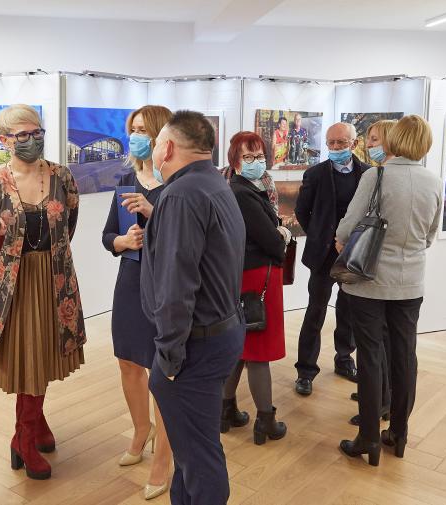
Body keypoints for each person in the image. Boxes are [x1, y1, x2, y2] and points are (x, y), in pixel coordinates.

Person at [0, 104, 86, 480]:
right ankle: (23, 436)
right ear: (4, 140)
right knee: (27, 355)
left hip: (53, 278)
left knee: (46, 351)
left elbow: (69, 223)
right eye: (22, 135)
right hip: (12, 286)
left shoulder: (62, 176)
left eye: (37, 133)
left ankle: (33, 423)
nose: (32, 140)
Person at [142, 111, 246, 504]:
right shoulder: (214, 183)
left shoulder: (182, 195)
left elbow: (176, 285)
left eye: (155, 142)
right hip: (220, 332)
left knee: (199, 457)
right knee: (191, 451)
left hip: (194, 345)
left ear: (168, 148)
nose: (153, 149)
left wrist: (169, 358)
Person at [336, 115, 441, 465]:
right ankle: (399, 434)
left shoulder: (375, 176)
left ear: (394, 140)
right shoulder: (433, 181)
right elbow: (430, 235)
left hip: (369, 280)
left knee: (370, 357)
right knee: (405, 355)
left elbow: (348, 227)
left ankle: (368, 437)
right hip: (411, 282)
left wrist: (341, 239)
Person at [101, 105, 174, 499]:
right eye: (133, 129)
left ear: (161, 135)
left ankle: (164, 455)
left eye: (144, 130)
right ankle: (141, 430)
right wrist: (122, 241)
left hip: (164, 285)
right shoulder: (126, 179)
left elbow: (188, 239)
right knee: (128, 361)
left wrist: (154, 217)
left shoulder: (174, 184)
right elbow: (107, 235)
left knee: (162, 371)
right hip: (130, 280)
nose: (136, 136)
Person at [220, 131, 290, 445]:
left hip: (247, 275)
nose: (255, 162)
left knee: (241, 347)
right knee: (258, 348)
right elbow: (271, 241)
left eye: (259, 156)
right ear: (235, 161)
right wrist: (282, 235)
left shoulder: (245, 187)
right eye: (247, 157)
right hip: (259, 276)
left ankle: (225, 410)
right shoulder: (243, 192)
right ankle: (266, 420)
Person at [293, 122, 369, 396]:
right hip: (323, 256)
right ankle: (305, 370)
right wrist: (322, 236)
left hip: (353, 255)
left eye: (341, 143)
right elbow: (302, 211)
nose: (336, 148)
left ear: (354, 143)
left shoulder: (368, 174)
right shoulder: (314, 174)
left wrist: (349, 241)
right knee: (315, 311)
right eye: (331, 143)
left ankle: (344, 360)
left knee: (348, 310)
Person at [347, 120, 396, 427]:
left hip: (370, 271)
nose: (370, 145)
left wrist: (341, 240)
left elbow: (351, 221)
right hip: (401, 280)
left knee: (371, 346)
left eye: (376, 139)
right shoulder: (424, 177)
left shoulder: (375, 175)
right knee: (389, 343)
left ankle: (373, 410)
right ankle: (385, 399)